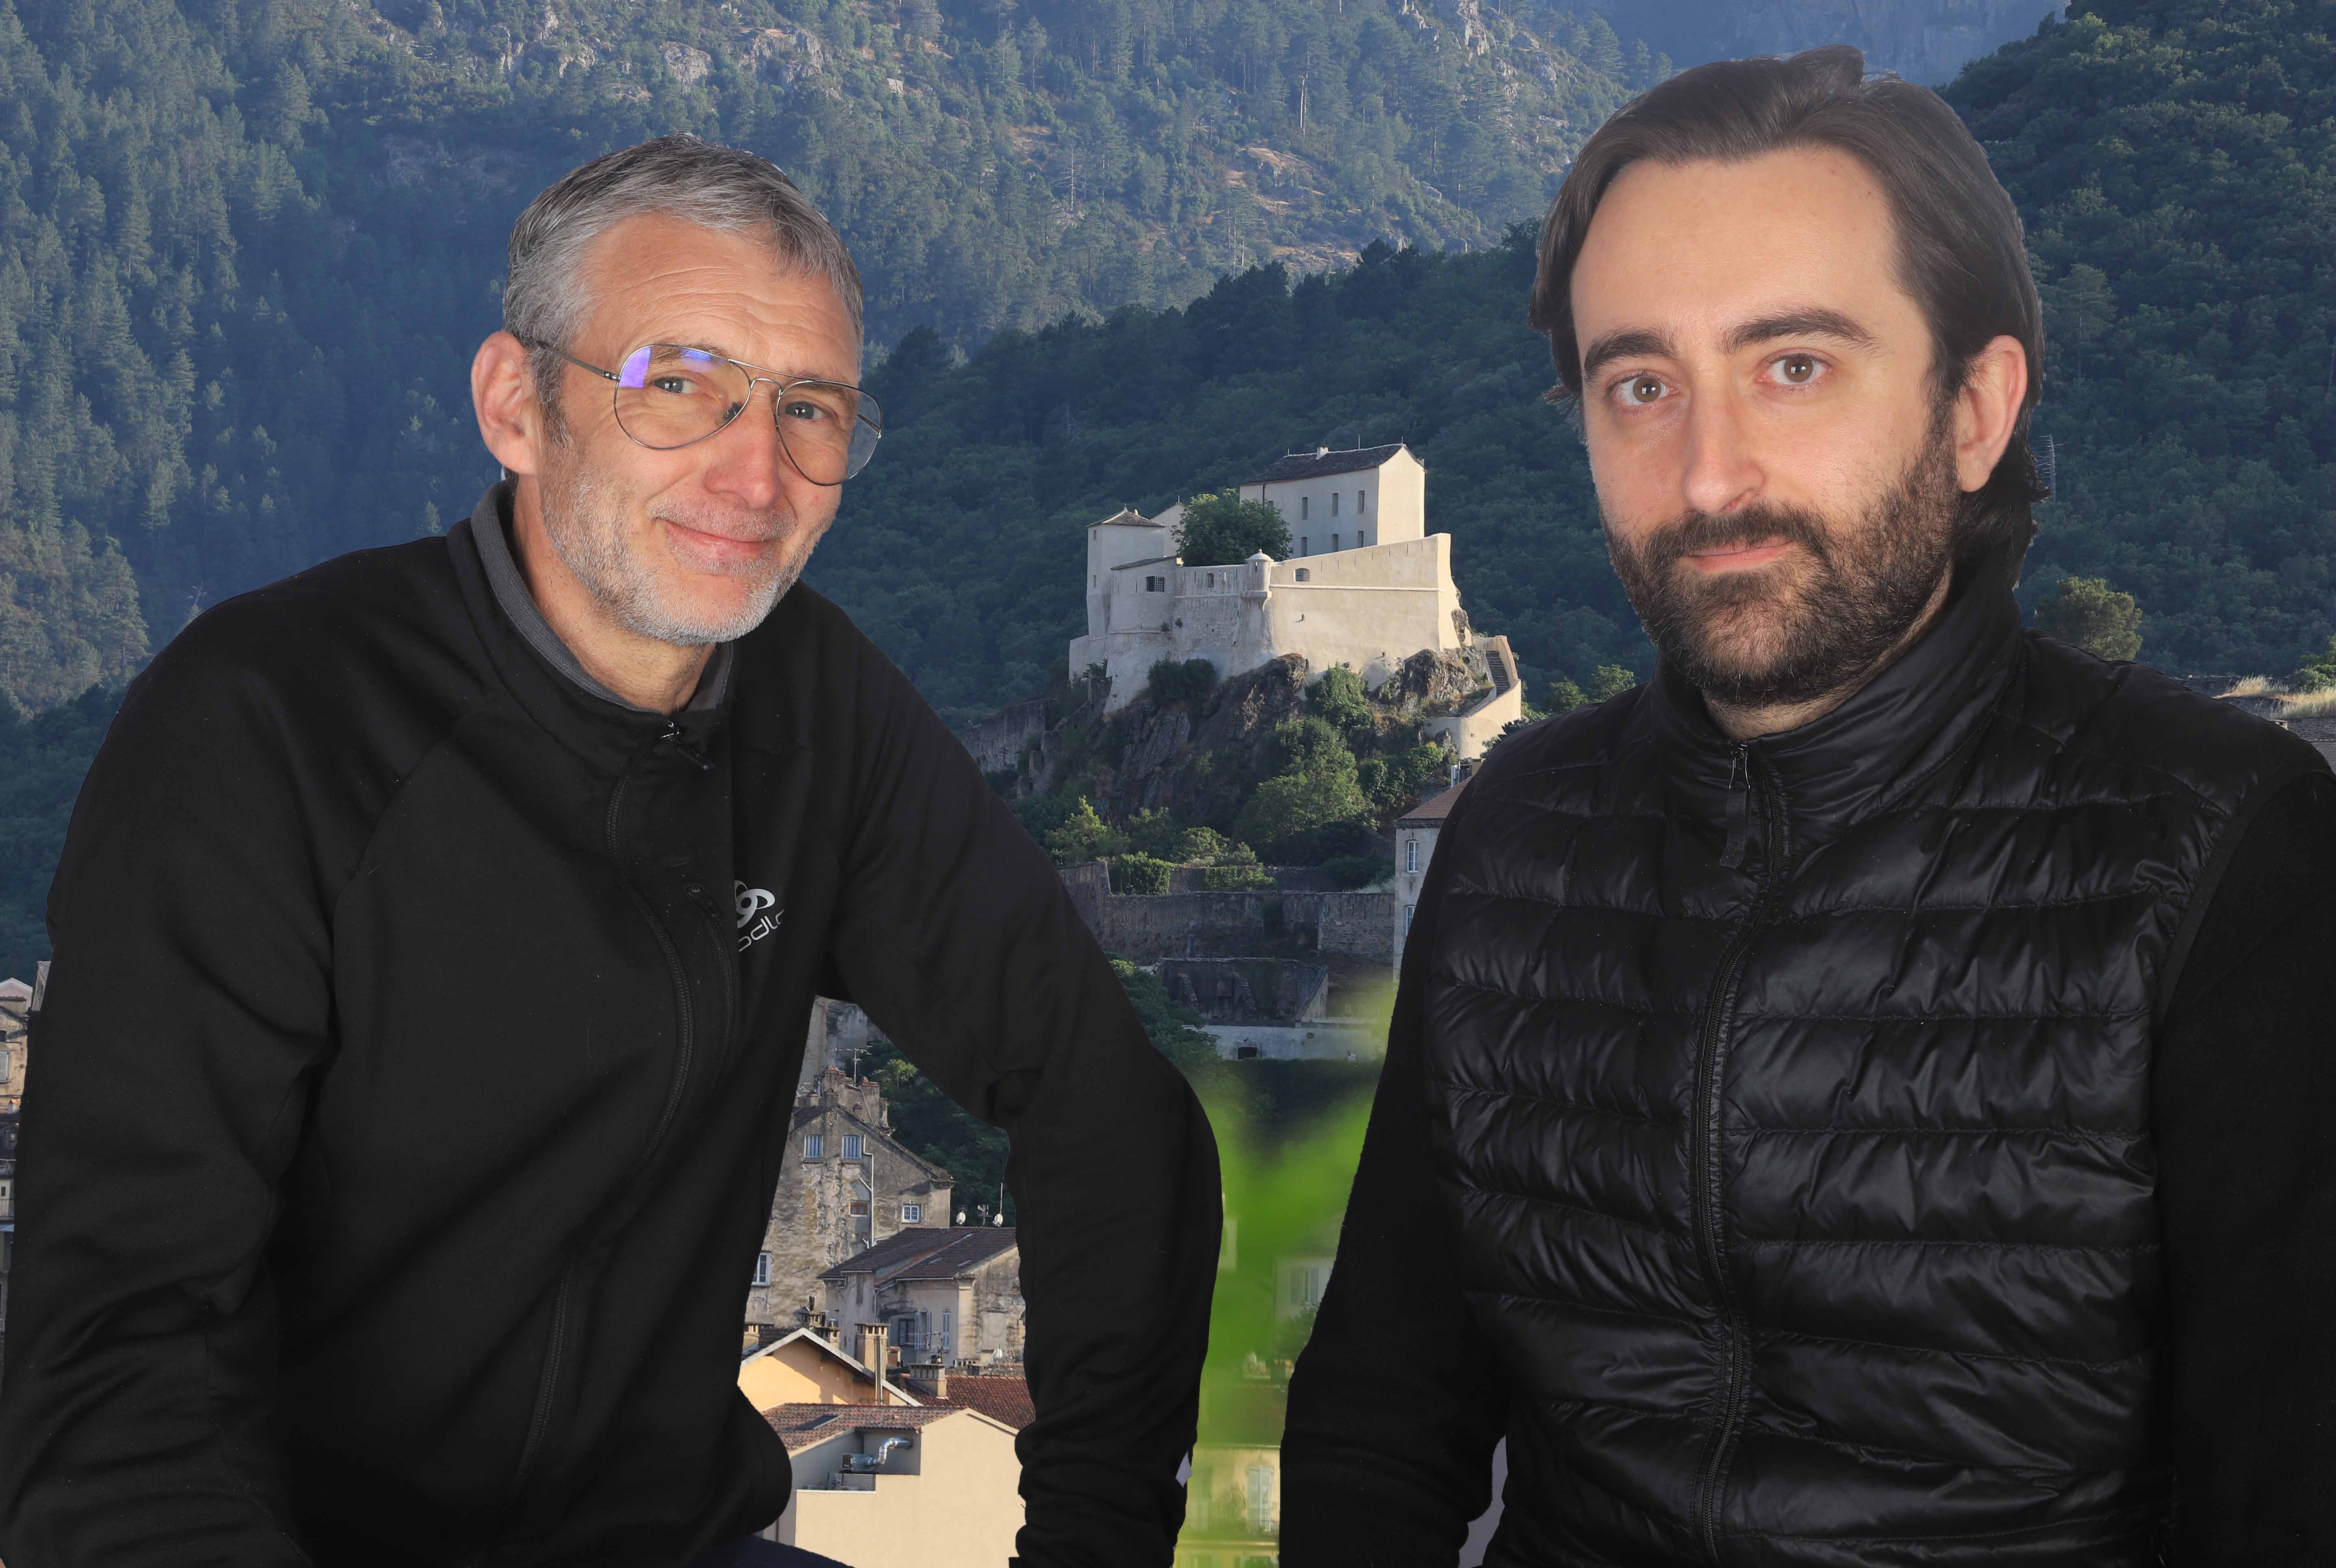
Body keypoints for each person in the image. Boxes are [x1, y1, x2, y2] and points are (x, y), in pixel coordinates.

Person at [0, 135, 1220, 1568]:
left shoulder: (811, 708)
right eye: (679, 386)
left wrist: (1094, 1542)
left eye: (811, 411)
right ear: (518, 406)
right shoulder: (267, 723)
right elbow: (122, 1353)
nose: (754, 474)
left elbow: (1107, 1109)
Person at [1283, 45, 2334, 1568]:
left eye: (1796, 366)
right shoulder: (1517, 829)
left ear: (1976, 412)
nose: (1711, 475)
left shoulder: (2224, 850)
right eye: (1640, 384)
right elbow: (1383, 1419)